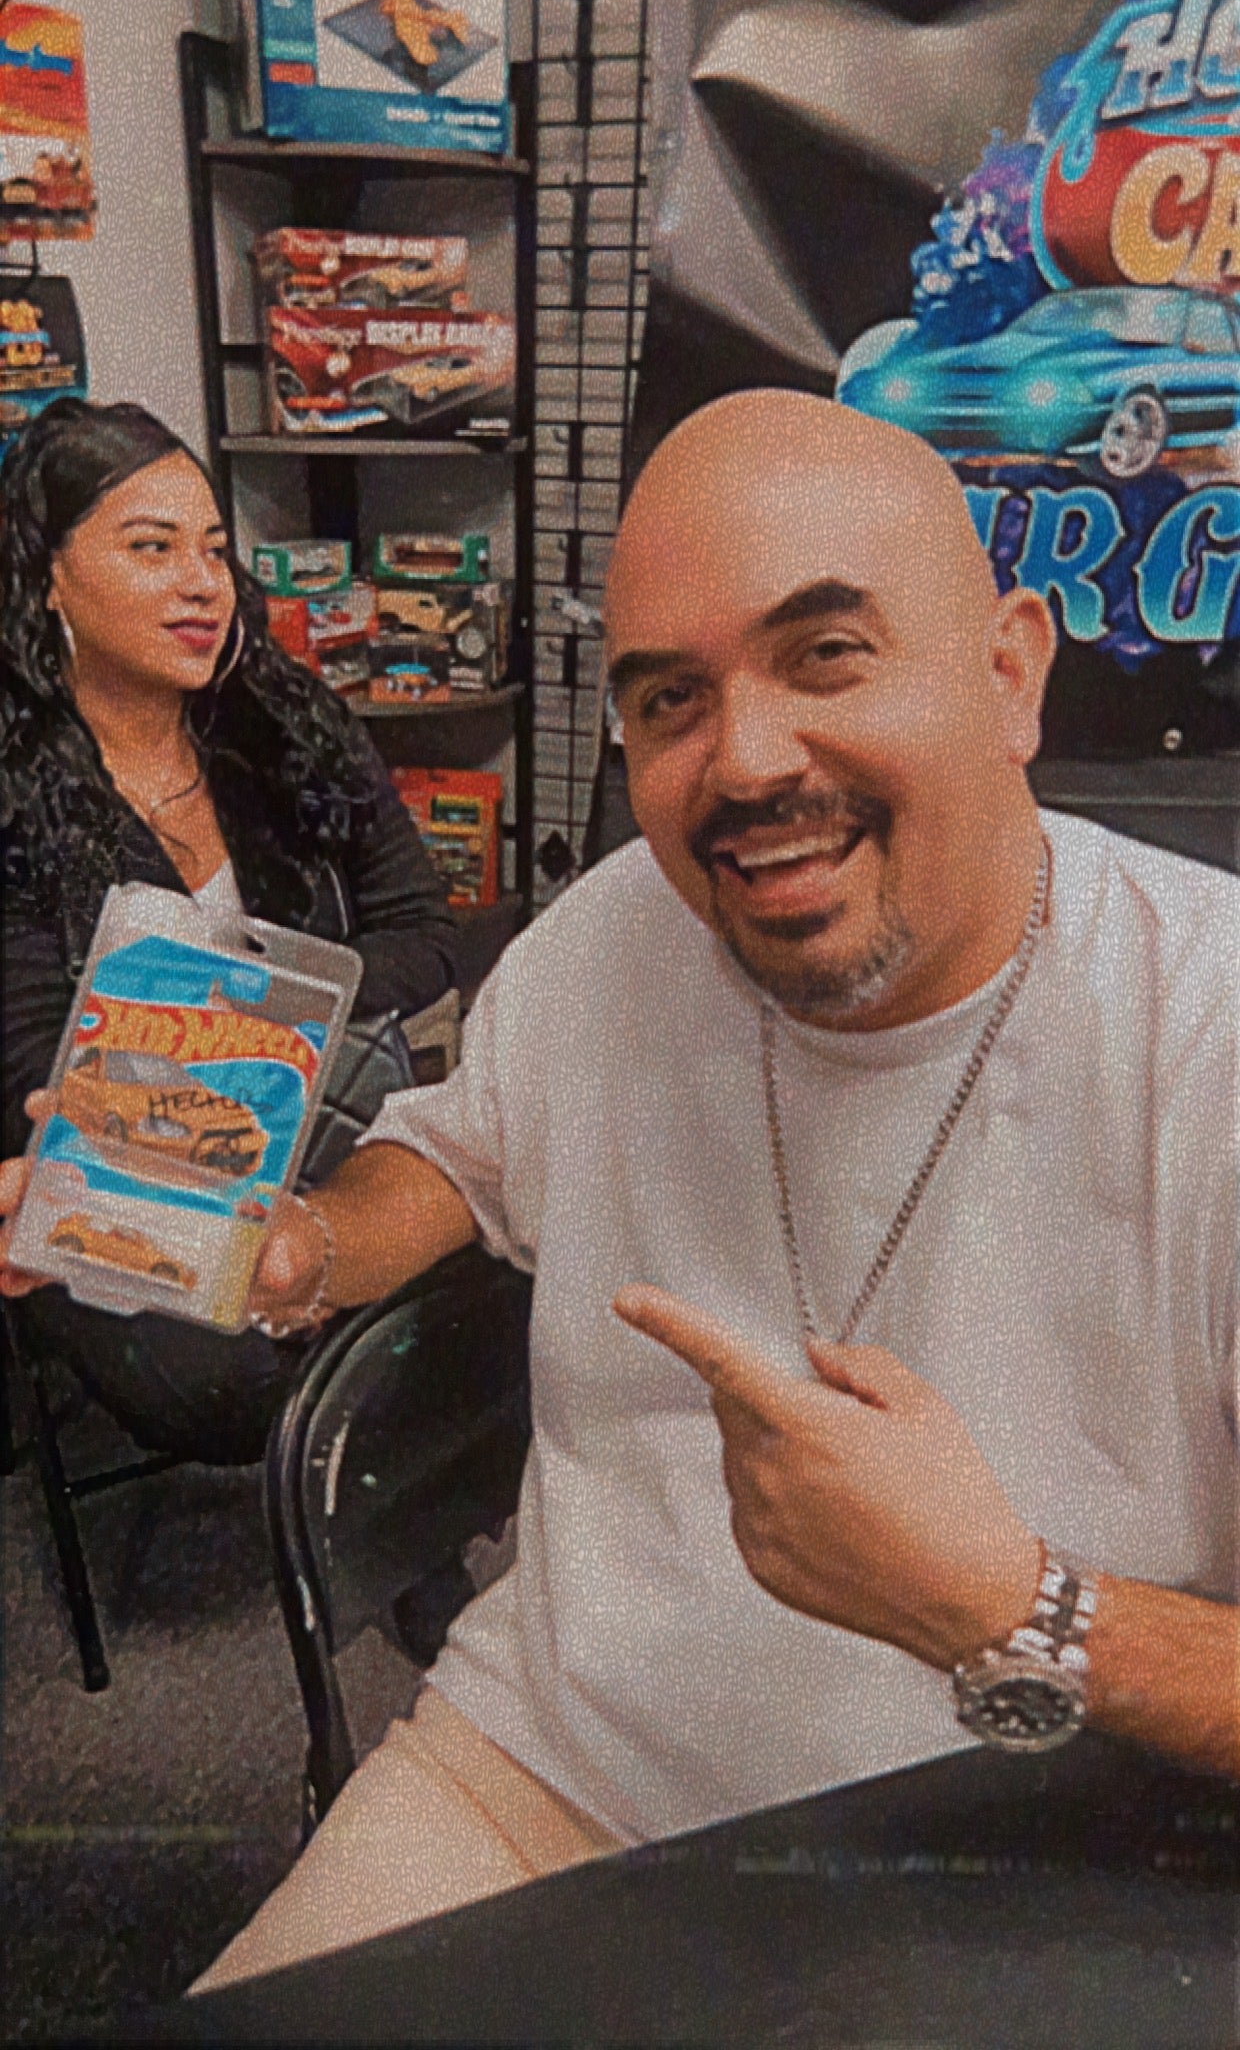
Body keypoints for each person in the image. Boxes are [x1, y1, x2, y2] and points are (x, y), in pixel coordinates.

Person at [4, 392, 1236, 1983]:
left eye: (827, 655)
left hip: (1043, 1852)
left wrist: (1020, 1607)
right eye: (671, 699)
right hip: (535, 1777)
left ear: (1009, 672)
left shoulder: (1203, 1035)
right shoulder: (607, 937)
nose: (748, 760)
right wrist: (298, 1246)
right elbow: (454, 1158)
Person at [0, 397, 457, 1462]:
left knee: (480, 1265)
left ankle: (407, 1508)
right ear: (48, 578)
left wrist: (261, 1023)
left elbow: (426, 933)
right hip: (125, 1171)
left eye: (213, 548)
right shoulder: (17, 791)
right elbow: (36, 1058)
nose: (203, 582)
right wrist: (262, 1034)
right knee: (244, 1378)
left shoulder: (285, 721)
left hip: (332, 1130)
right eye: (151, 548)